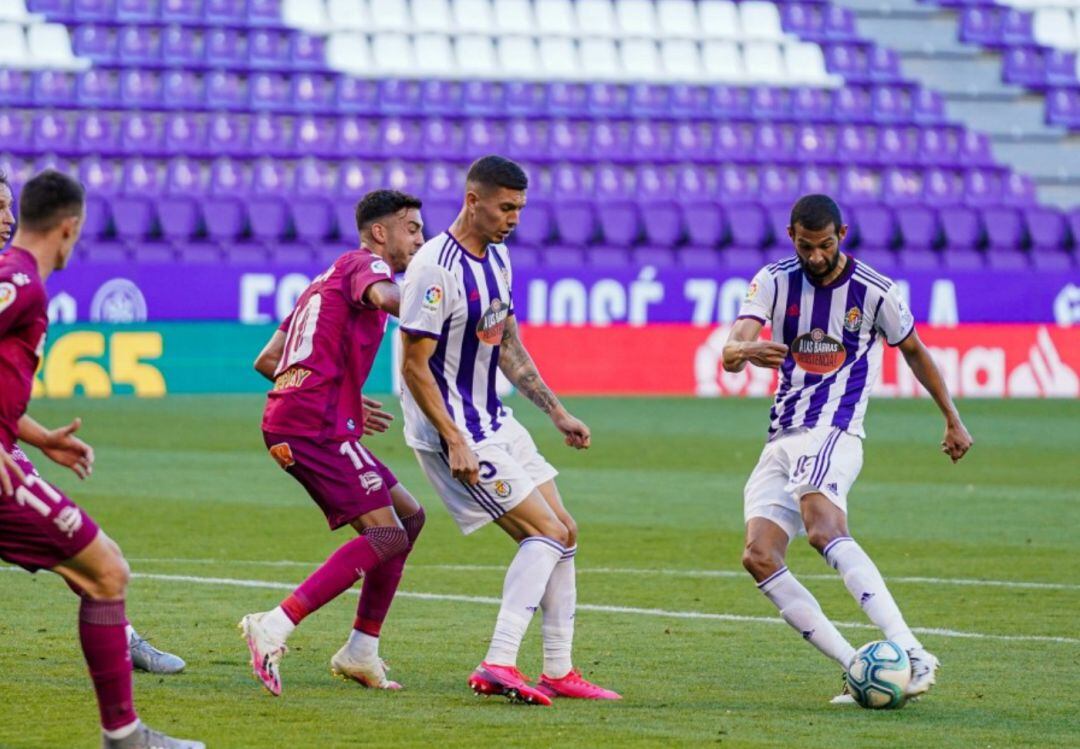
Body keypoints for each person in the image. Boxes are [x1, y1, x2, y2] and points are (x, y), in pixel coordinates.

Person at [723, 194, 974, 703]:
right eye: (805, 246)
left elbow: (915, 351)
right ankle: (860, 667)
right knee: (758, 556)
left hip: (834, 430)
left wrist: (952, 417)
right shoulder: (772, 280)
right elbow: (731, 351)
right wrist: (745, 349)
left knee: (822, 528)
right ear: (791, 235)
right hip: (782, 436)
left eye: (825, 245)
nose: (815, 257)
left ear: (843, 234)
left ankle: (911, 650)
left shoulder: (874, 291)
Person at [399, 155, 619, 706]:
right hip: (455, 429)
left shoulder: (497, 258)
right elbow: (413, 366)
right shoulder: (434, 268)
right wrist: (454, 439)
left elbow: (508, 344)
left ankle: (558, 670)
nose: (513, 218)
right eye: (505, 207)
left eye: (519, 208)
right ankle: (498, 661)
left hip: (495, 419)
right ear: (473, 200)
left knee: (564, 532)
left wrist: (556, 411)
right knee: (544, 533)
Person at [0, 170, 203, 748]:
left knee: (100, 570)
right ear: (70, 227)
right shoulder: (20, 279)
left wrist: (37, 437)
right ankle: (125, 736)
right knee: (106, 571)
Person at [240, 190, 427, 696]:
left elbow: (268, 359)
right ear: (380, 232)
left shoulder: (323, 281)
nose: (420, 238)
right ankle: (274, 624)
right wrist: (443, 300)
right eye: (411, 228)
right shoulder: (363, 265)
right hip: (312, 425)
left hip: (304, 417)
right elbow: (388, 299)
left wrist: (342, 393)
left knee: (409, 518)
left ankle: (361, 650)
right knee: (387, 536)